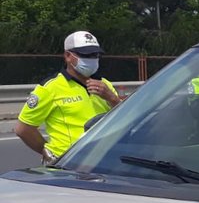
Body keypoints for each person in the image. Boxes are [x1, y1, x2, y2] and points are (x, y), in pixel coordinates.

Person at [15, 30, 121, 164]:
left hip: (102, 159)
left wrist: (112, 98)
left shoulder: (105, 85)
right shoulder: (50, 87)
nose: (92, 59)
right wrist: (46, 151)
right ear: (68, 56)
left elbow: (126, 119)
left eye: (95, 55)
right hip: (68, 162)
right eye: (86, 55)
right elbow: (23, 129)